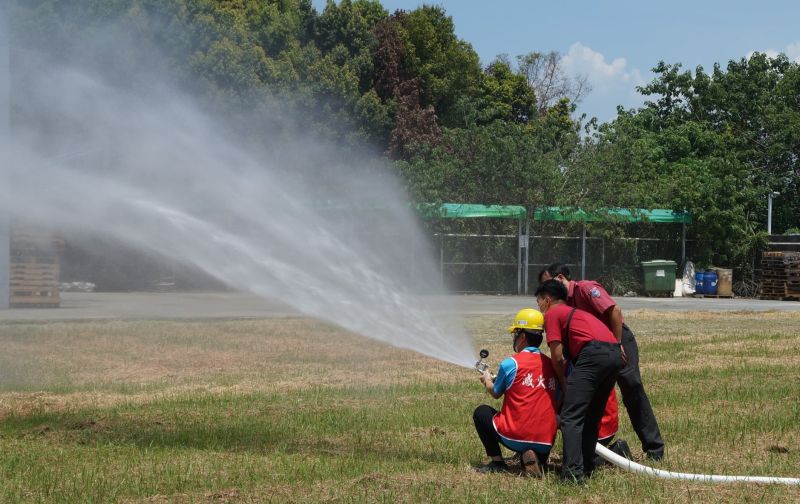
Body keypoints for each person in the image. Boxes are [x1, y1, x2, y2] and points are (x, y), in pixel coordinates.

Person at [539, 263, 665, 460]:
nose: (548, 292)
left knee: (632, 388)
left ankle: (654, 449)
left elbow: (614, 311)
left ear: (561, 278)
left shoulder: (586, 288)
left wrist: (617, 344)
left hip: (616, 339)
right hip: (592, 350)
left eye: (549, 284)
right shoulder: (563, 303)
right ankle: (588, 452)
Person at [535, 280, 624, 483]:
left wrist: (564, 384)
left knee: (570, 416)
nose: (539, 307)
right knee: (592, 416)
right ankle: (586, 467)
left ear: (547, 300)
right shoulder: (573, 311)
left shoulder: (552, 314)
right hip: (614, 354)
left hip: (593, 354)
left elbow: (557, 357)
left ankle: (573, 473)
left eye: (539, 302)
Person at [473, 308, 558, 477]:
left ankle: (497, 463)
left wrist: (487, 379)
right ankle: (536, 458)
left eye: (515, 334)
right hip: (546, 439)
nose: (514, 338)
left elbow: (496, 392)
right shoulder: (552, 364)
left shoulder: (511, 363)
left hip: (515, 436)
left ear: (523, 336)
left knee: (481, 412)